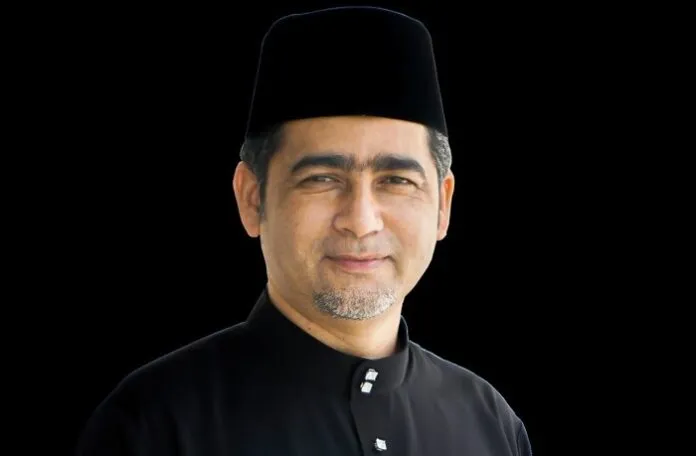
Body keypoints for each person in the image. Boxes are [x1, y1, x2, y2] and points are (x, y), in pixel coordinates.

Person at [75, 6, 533, 455]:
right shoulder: (154, 427)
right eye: (322, 179)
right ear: (252, 198)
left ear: (443, 205)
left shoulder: (491, 425)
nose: (361, 221)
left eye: (396, 180)